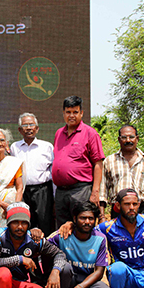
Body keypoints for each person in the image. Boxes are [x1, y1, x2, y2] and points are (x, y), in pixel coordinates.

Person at [46, 201, 114, 288]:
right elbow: (42, 248)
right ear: (74, 219)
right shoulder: (62, 235)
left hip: (85, 282)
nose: (87, 222)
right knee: (64, 267)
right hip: (66, 279)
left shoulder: (100, 239)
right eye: (83, 218)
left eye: (91, 218)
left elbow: (99, 272)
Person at [52, 95, 104, 227]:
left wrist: (95, 192)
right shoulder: (59, 133)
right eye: (68, 112)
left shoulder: (90, 133)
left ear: (81, 113)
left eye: (75, 112)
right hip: (61, 192)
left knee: (82, 227)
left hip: (81, 190)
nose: (71, 115)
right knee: (62, 230)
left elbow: (98, 163)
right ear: (63, 113)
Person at [99, 125, 144, 221]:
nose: (128, 140)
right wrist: (102, 216)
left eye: (131, 137)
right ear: (119, 140)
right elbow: (102, 192)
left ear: (137, 139)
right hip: (118, 210)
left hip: (143, 210)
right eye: (124, 137)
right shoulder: (109, 161)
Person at [10, 112, 55, 237]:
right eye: (25, 125)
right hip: (23, 192)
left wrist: (54, 195)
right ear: (19, 129)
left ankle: (46, 253)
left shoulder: (47, 146)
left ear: (37, 128)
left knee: (45, 223)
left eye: (31, 124)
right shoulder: (14, 147)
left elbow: (52, 171)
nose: (28, 128)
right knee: (25, 224)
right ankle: (29, 254)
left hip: (43, 191)